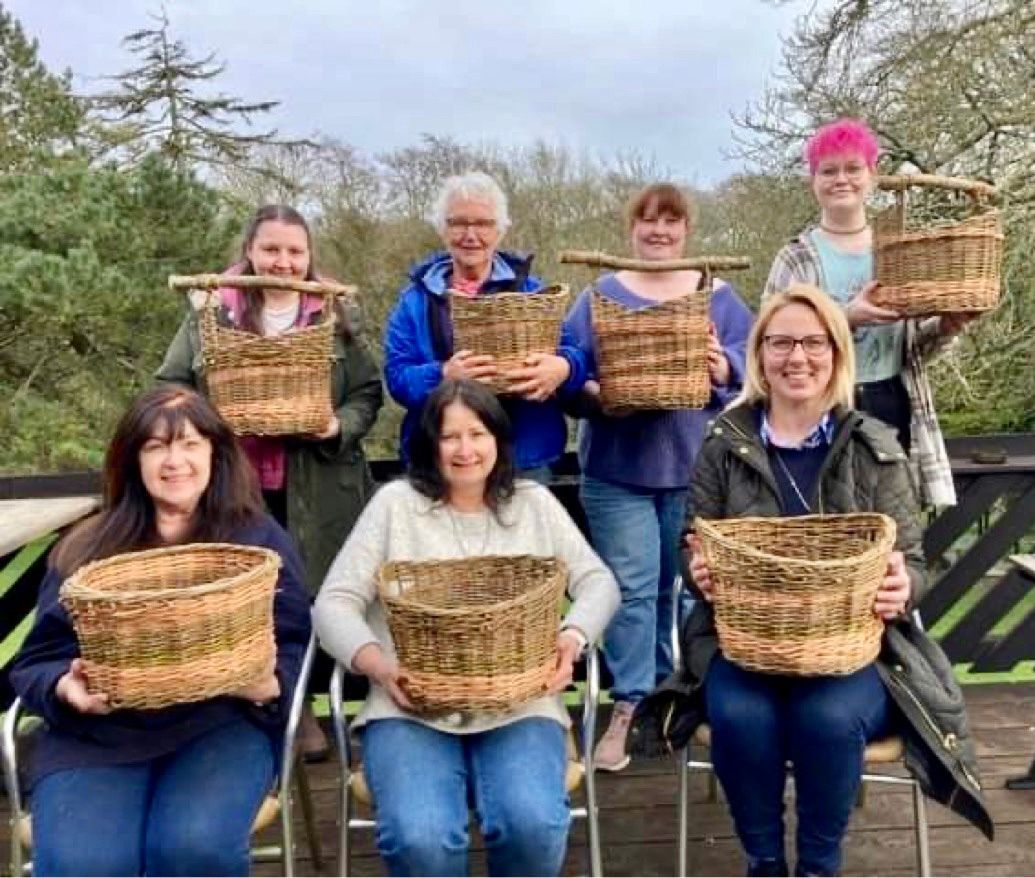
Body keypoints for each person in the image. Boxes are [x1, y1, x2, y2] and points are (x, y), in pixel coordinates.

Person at [640, 285, 991, 876]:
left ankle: (818, 867)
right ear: (759, 354)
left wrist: (904, 589)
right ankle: (766, 862)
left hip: (857, 652)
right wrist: (697, 570)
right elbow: (691, 547)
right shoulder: (723, 446)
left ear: (836, 352)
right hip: (741, 646)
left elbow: (915, 562)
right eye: (780, 342)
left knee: (824, 719)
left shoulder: (874, 447)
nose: (796, 357)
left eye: (813, 342)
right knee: (742, 717)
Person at [314, 379, 620, 877]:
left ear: (498, 439)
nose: (465, 450)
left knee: (533, 824)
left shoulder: (533, 503)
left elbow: (599, 583)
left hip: (521, 704)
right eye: (449, 436)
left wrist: (572, 639)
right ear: (428, 444)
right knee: (421, 839)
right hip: (409, 708)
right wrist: (379, 666)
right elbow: (332, 605)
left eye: (477, 433)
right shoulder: (394, 506)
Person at [9, 385, 312, 877]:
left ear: (215, 452)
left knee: (191, 849)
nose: (175, 461)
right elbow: (35, 661)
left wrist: (272, 682)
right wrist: (68, 688)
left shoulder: (256, 542)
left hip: (221, 725)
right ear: (133, 460)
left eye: (190, 443)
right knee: (85, 864)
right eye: (156, 446)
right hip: (99, 735)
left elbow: (296, 636)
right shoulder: (87, 548)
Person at [157, 204, 383, 757]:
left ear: (309, 258)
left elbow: (367, 392)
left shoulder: (335, 314)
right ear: (250, 252)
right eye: (272, 250)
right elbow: (168, 386)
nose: (283, 262)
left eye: (295, 252)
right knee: (254, 600)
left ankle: (336, 703)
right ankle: (286, 708)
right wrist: (206, 430)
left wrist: (337, 425)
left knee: (323, 594)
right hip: (236, 488)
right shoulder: (213, 313)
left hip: (320, 488)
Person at [561, 183, 754, 771]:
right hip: (618, 472)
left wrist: (725, 367)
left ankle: (681, 697)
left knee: (689, 589)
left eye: (671, 222)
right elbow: (566, 372)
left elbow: (753, 368)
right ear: (633, 229)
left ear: (687, 230)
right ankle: (629, 705)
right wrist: (598, 397)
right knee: (632, 591)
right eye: (649, 222)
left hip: (696, 475)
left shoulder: (717, 295)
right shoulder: (599, 294)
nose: (660, 232)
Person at [764, 117, 979, 508]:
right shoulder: (794, 257)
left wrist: (946, 327)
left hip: (890, 399)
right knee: (823, 522)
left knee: (892, 525)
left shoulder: (900, 248)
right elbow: (768, 343)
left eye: (852, 168)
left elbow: (913, 349)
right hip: (820, 405)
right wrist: (845, 317)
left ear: (873, 175)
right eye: (828, 171)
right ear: (813, 182)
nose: (840, 179)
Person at [383, 170, 589, 482]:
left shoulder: (531, 292)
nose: (470, 234)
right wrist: (443, 376)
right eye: (458, 223)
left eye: (482, 223)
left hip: (524, 459)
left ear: (500, 230)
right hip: (443, 460)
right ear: (442, 229)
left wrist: (562, 368)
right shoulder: (415, 300)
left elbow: (576, 356)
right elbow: (397, 378)